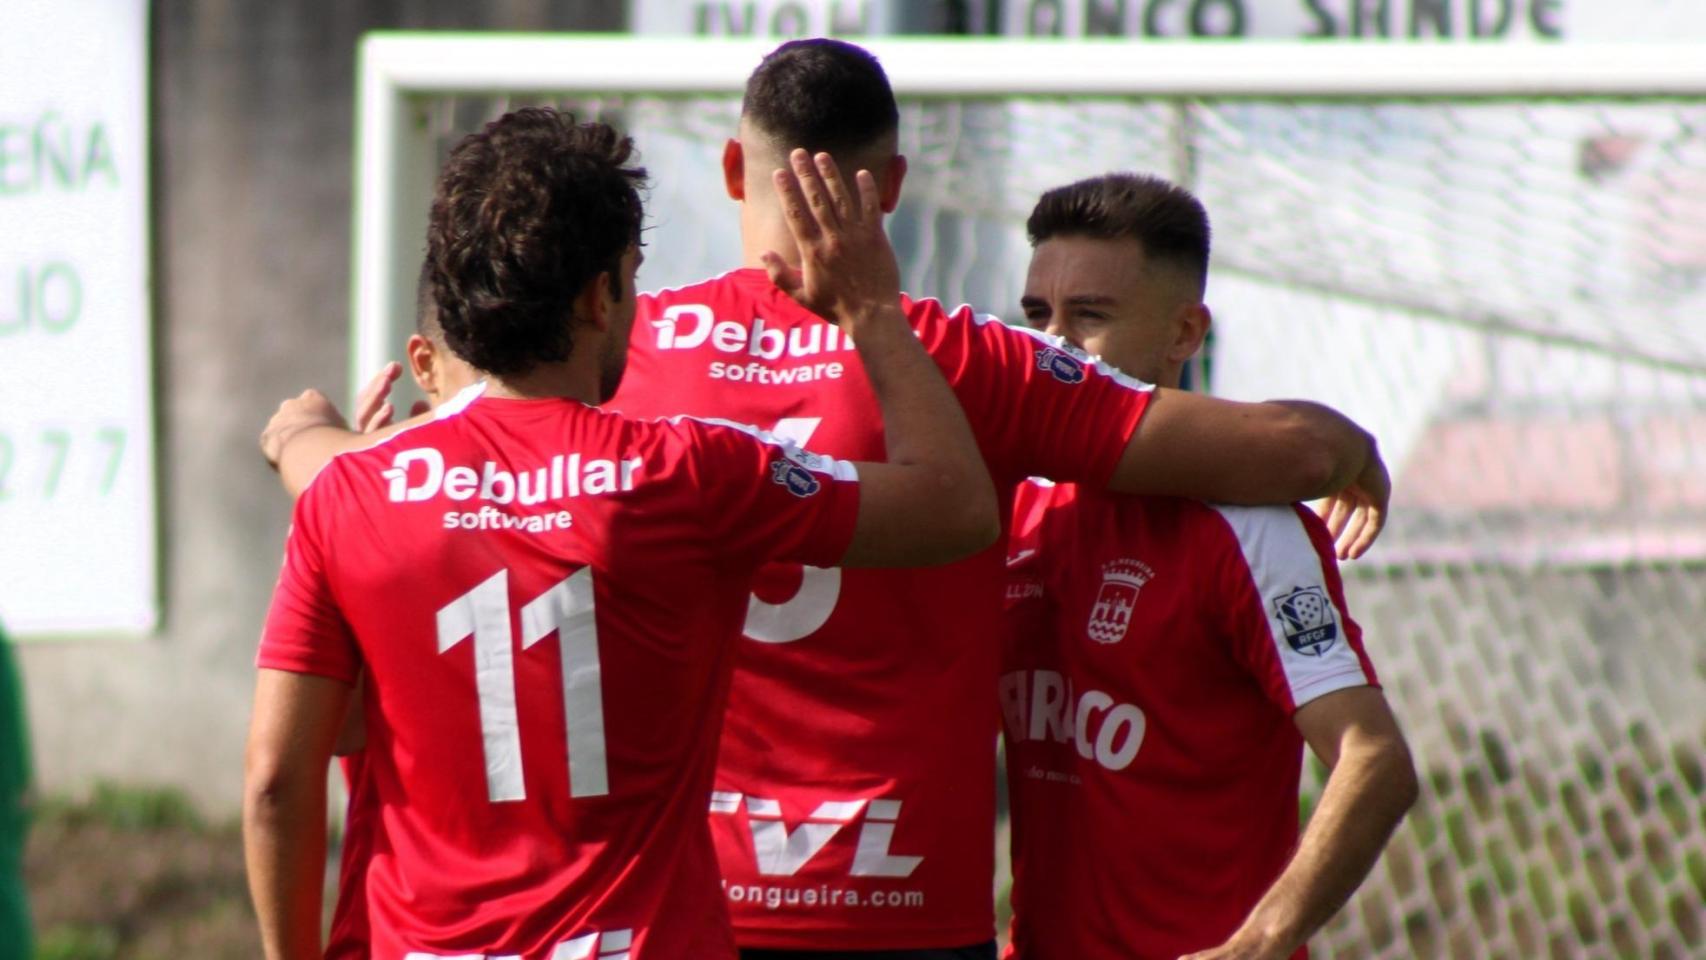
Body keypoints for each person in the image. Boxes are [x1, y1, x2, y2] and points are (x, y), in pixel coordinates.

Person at [263, 39, 1390, 960]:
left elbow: (450, 478)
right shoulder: (959, 356)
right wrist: (1341, 446)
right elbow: (1267, 450)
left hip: (682, 900)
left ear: (727, 171)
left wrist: (307, 440)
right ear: (890, 188)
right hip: (900, 909)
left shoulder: (617, 349)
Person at [243, 107, 1001, 960]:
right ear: (600, 295)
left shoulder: (348, 492)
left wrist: (302, 436)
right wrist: (871, 310)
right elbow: (955, 506)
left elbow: (276, 783)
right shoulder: (689, 473)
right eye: (633, 277)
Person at [1001, 173, 1418, 960]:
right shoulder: (1013, 504)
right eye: (1036, 315)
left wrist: (1263, 939)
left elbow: (1376, 759)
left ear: (1185, 333)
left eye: (1089, 316)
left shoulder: (1250, 525)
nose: (1054, 344)